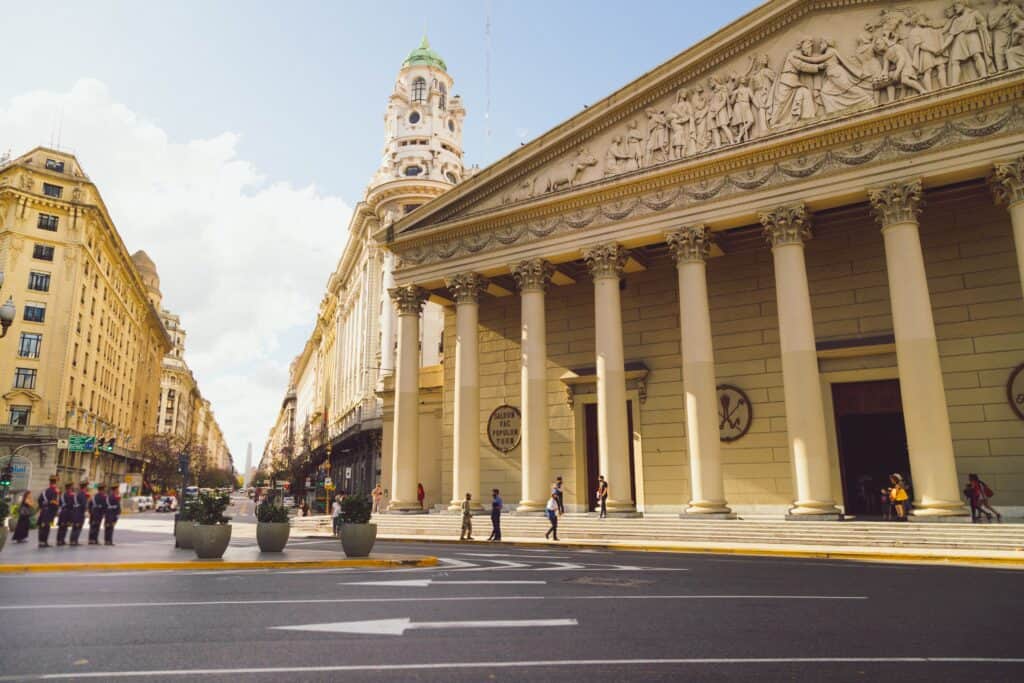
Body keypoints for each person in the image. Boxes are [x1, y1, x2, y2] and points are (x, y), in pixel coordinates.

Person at [37, 476, 59, 548]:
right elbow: (53, 501)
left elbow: (39, 500)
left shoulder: (44, 491)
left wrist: (41, 508)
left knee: (42, 526)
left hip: (43, 511)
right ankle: (44, 542)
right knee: (46, 527)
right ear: (55, 483)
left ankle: (41, 542)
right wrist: (56, 507)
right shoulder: (54, 491)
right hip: (49, 512)